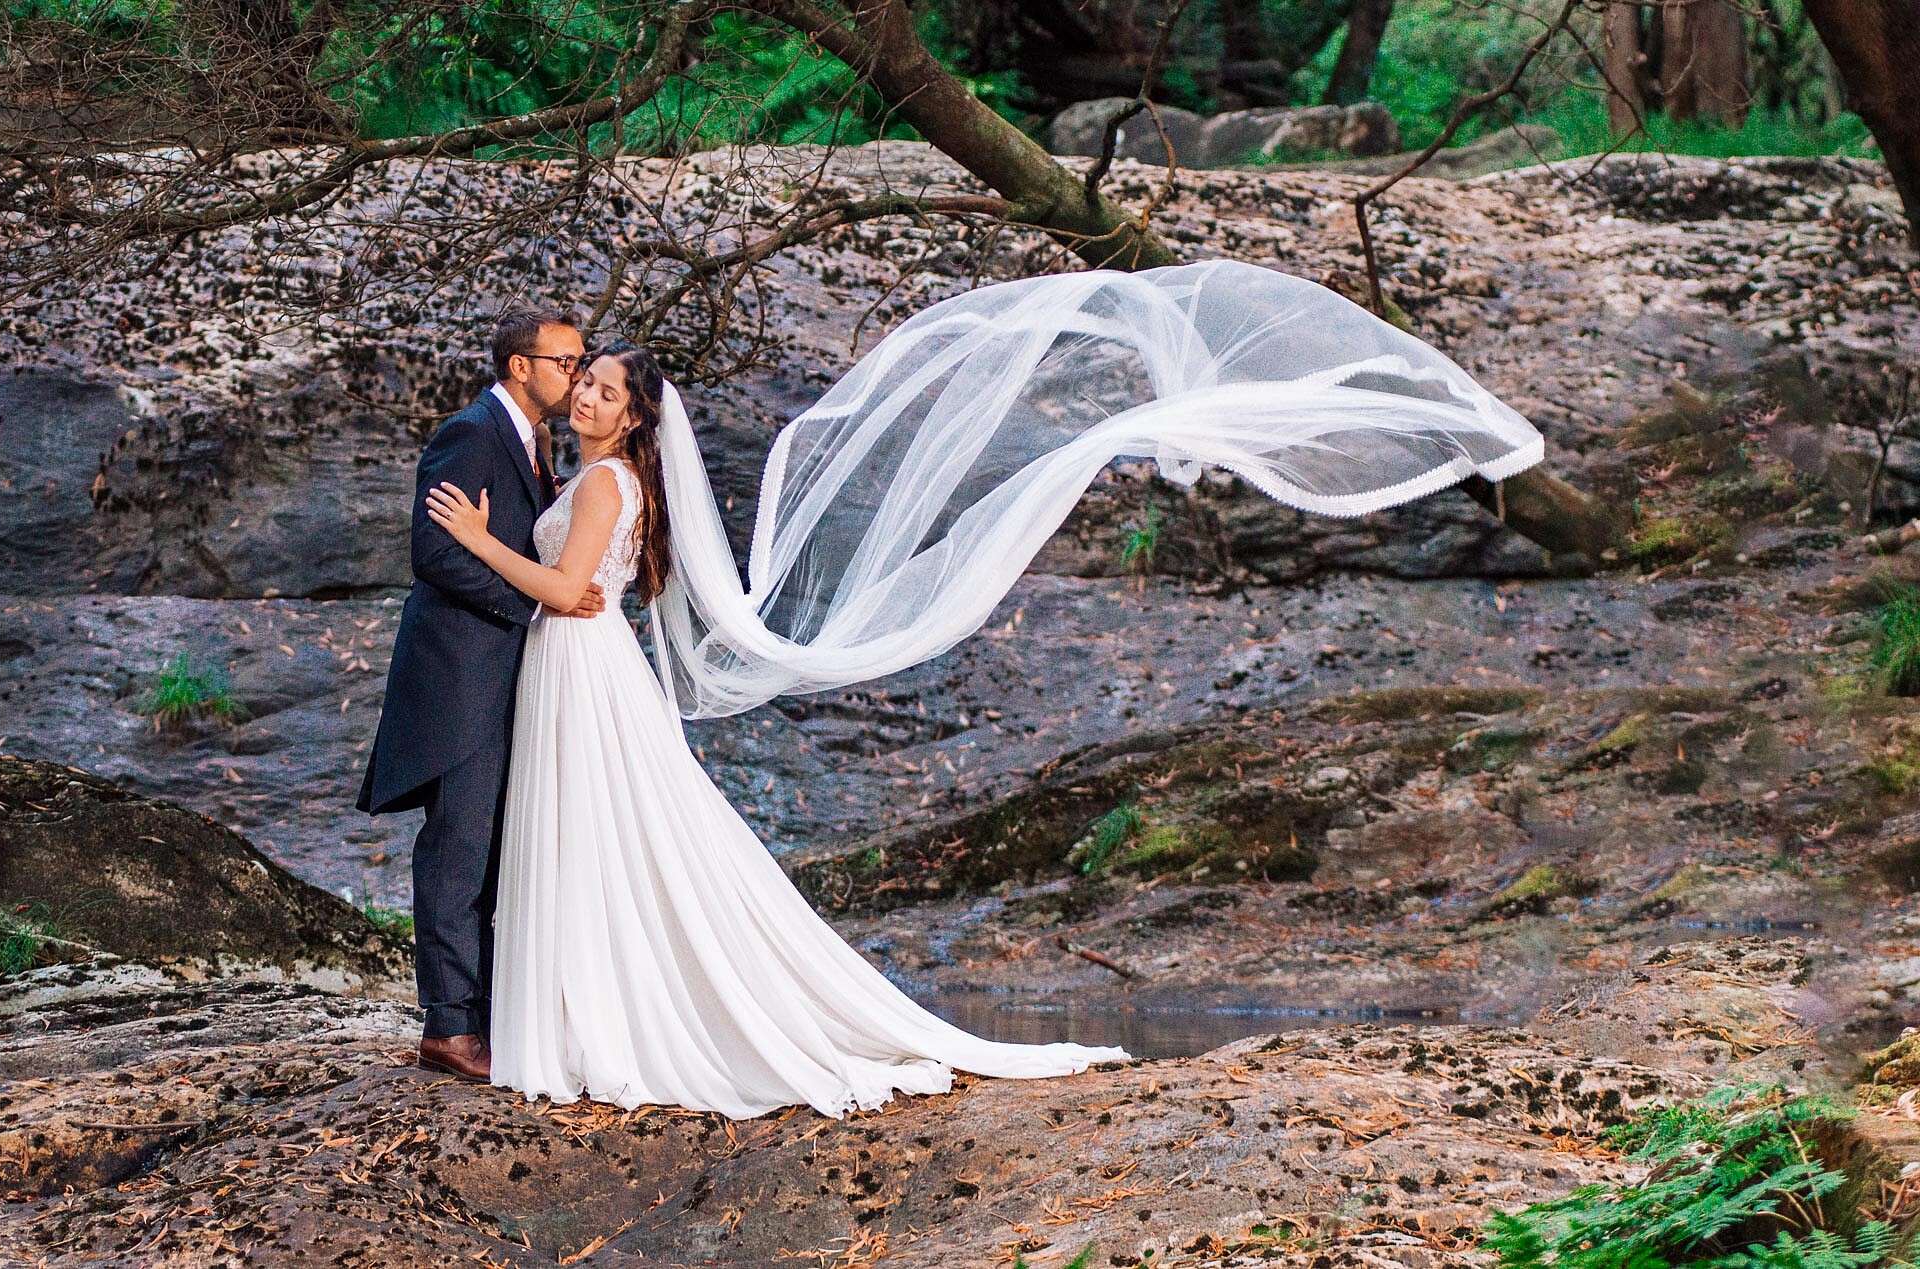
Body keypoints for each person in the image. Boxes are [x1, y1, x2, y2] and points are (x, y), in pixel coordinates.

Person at [423, 260, 1545, 1117]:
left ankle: (601, 1021)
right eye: (583, 381)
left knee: (613, 839)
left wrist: (480, 542)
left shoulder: (610, 485)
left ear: (632, 417)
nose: (586, 395)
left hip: (582, 660)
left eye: (604, 388)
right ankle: (574, 1010)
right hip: (574, 676)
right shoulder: (595, 474)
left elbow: (572, 595)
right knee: (595, 841)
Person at [357, 310, 604, 1083]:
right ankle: (450, 1025)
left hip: (507, 674)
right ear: (518, 365)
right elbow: (432, 552)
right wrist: (537, 603)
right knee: (458, 847)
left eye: (580, 360)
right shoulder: (469, 433)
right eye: (564, 360)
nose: (576, 372)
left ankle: (492, 1013)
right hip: (460, 674)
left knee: (498, 847)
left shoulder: (536, 445)